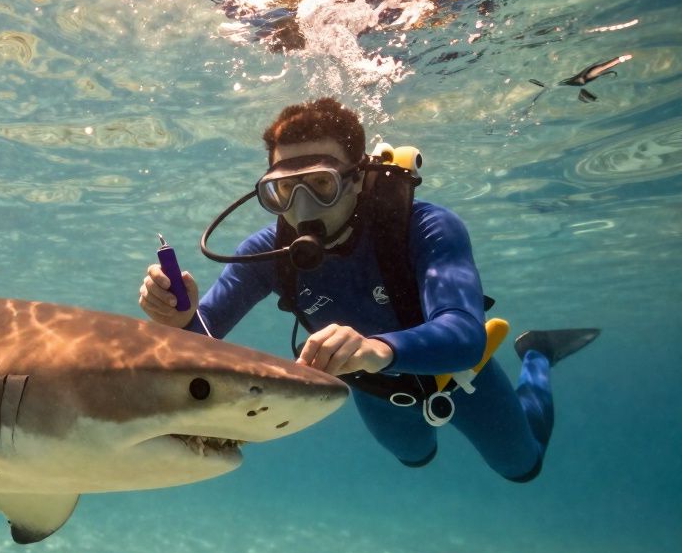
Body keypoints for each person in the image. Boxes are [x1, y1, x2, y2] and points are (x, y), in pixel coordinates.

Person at [139, 98, 597, 481]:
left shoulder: (424, 226)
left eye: (321, 184)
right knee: (415, 457)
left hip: (460, 377)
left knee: (522, 466)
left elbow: (465, 335)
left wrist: (376, 348)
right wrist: (179, 319)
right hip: (378, 394)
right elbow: (204, 340)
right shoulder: (267, 252)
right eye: (284, 189)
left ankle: (536, 355)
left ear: (357, 177)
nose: (302, 207)